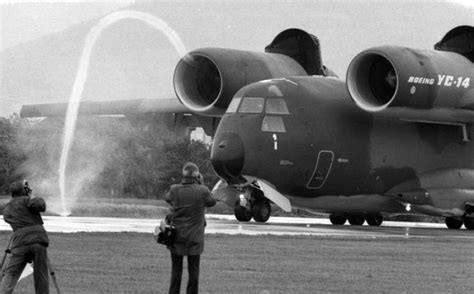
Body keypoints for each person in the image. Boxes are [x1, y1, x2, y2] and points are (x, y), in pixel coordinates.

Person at [165, 163, 216, 294]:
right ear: (196, 176)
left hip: (177, 237)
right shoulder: (202, 190)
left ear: (183, 175)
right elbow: (212, 202)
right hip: (195, 238)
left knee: (176, 271)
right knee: (194, 271)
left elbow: (167, 198)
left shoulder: (174, 189)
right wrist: (202, 183)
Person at [1, 180, 49, 294]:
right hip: (38, 240)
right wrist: (32, 198)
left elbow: (8, 219)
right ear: (24, 191)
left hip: (19, 242)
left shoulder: (7, 209)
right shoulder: (27, 200)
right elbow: (40, 205)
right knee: (41, 274)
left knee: (11, 273)